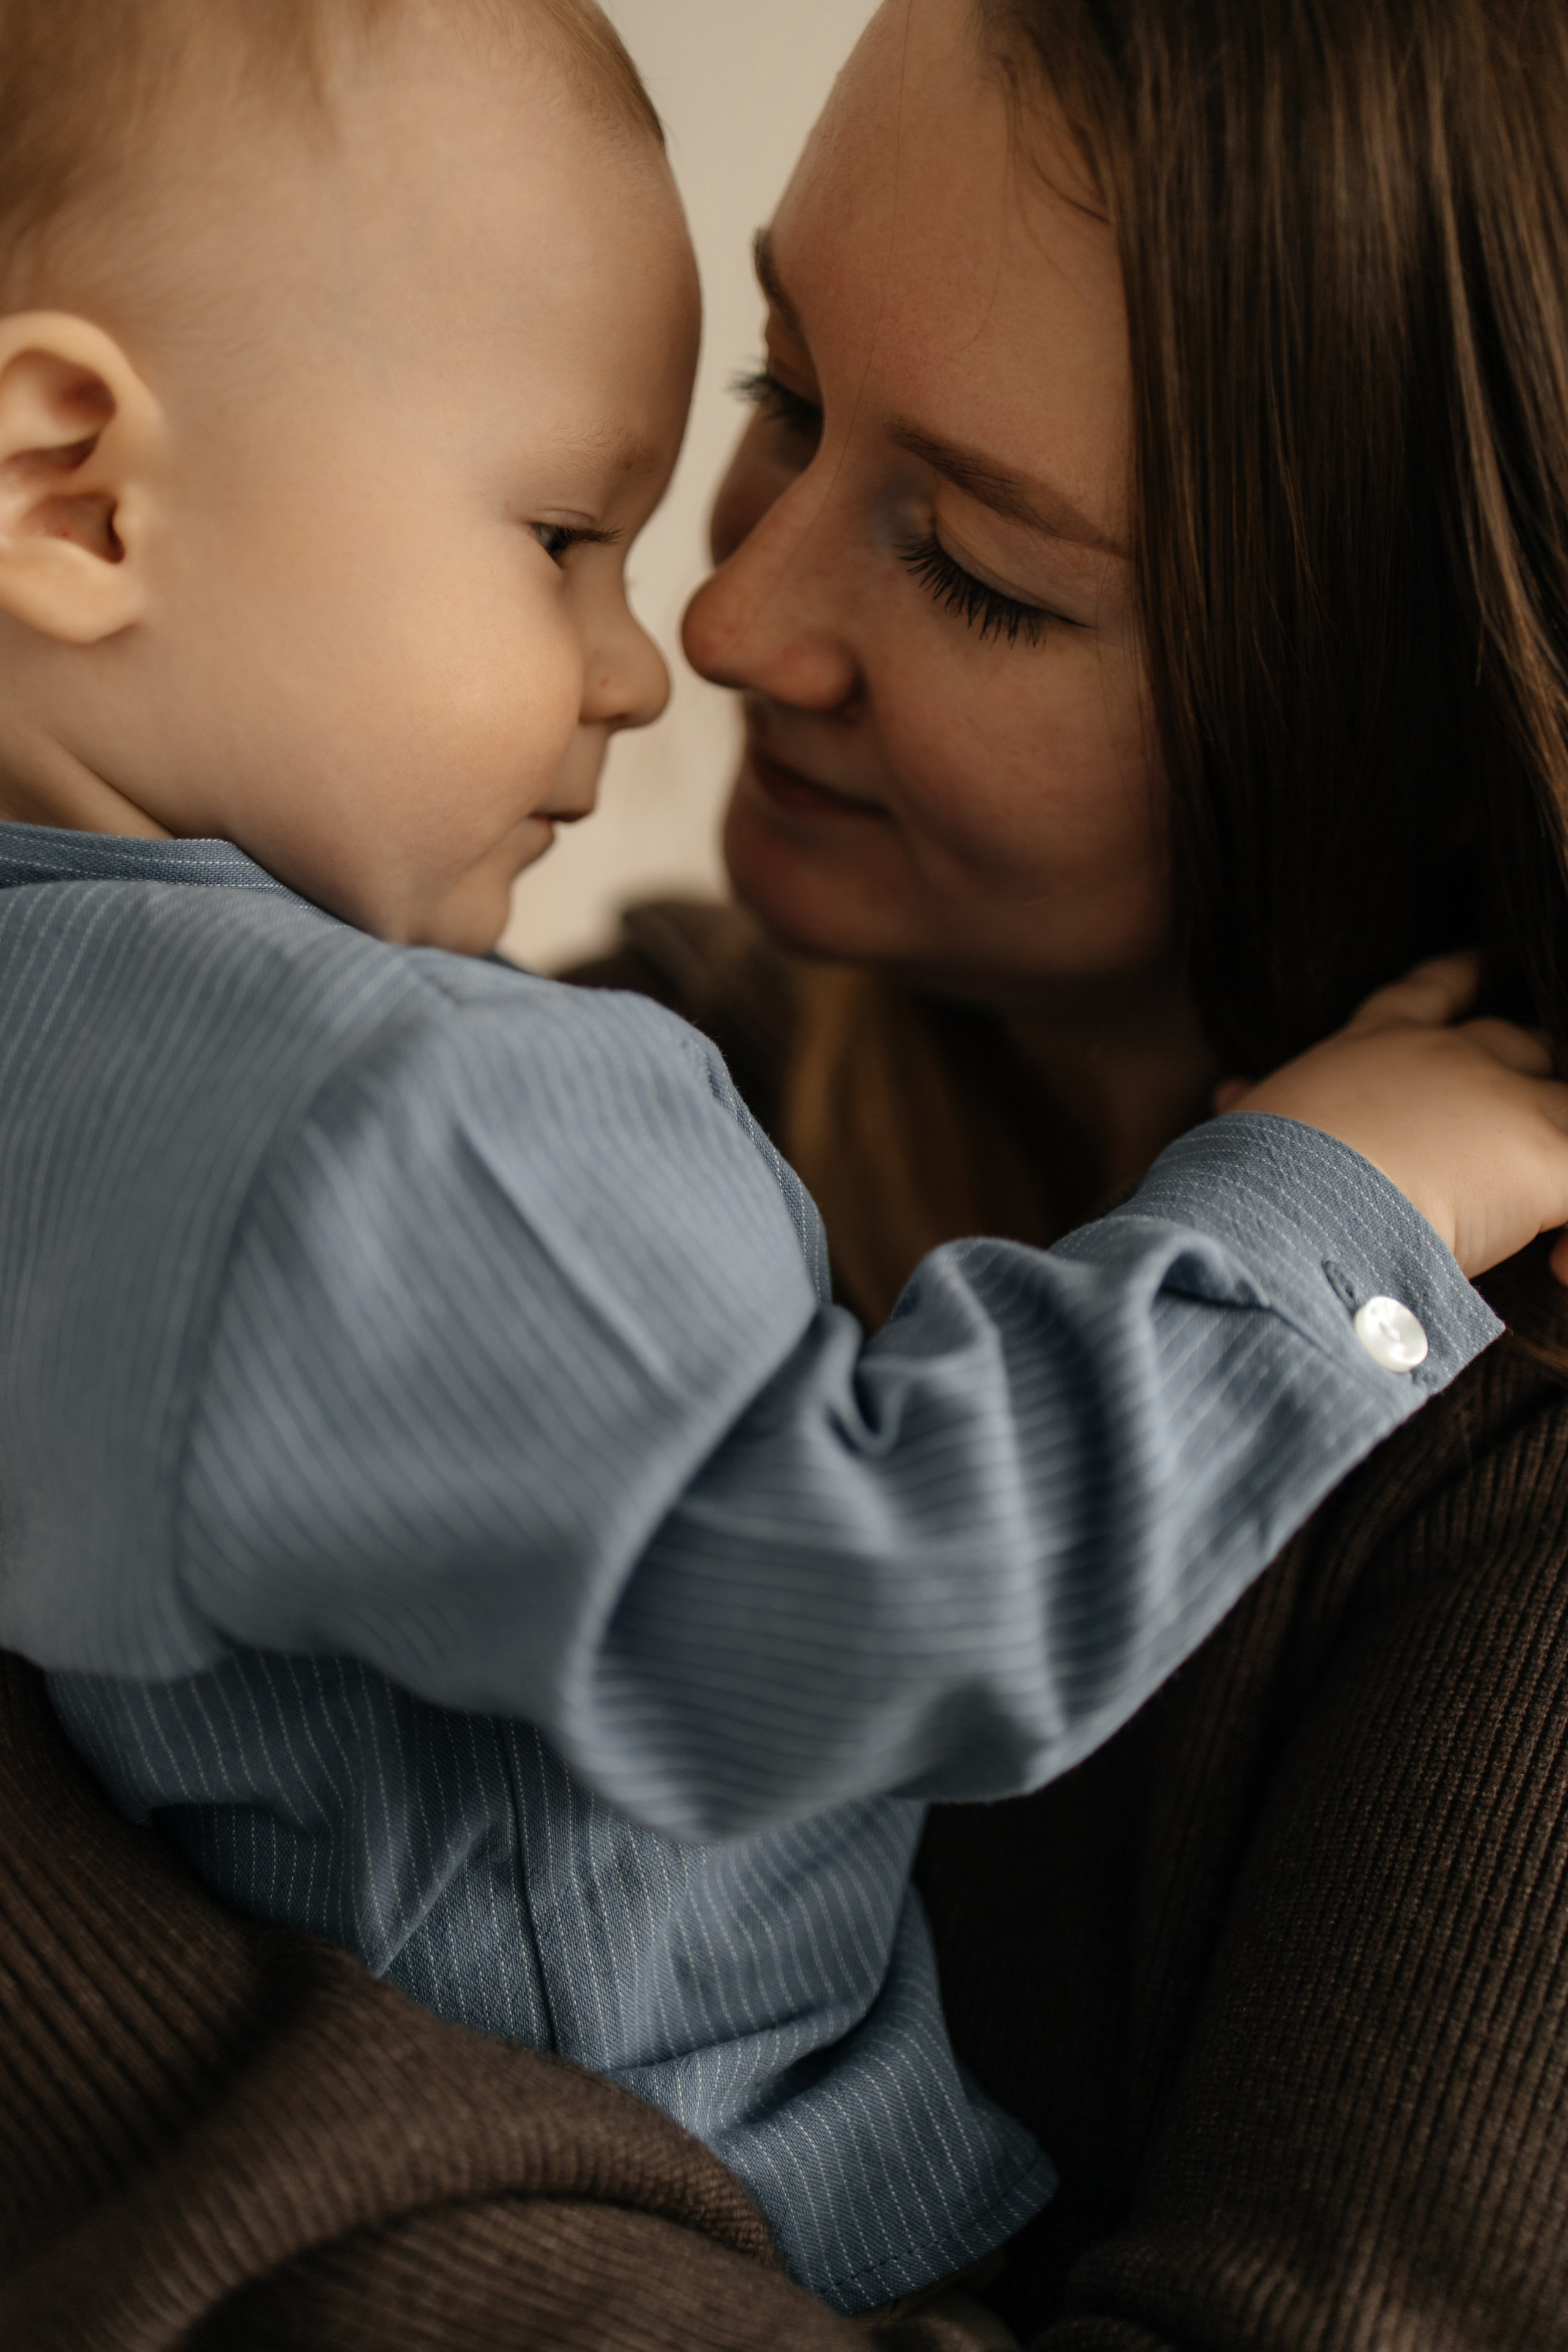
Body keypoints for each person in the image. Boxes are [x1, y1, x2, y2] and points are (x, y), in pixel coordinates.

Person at [0, 0, 1561, 2336]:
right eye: (789, 399)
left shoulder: (1509, 1526)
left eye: (985, 569)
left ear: (1412, 693)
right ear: (72, 491)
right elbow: (861, 1601)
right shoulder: (491, 1113)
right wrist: (1325, 1223)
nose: (708, 634)